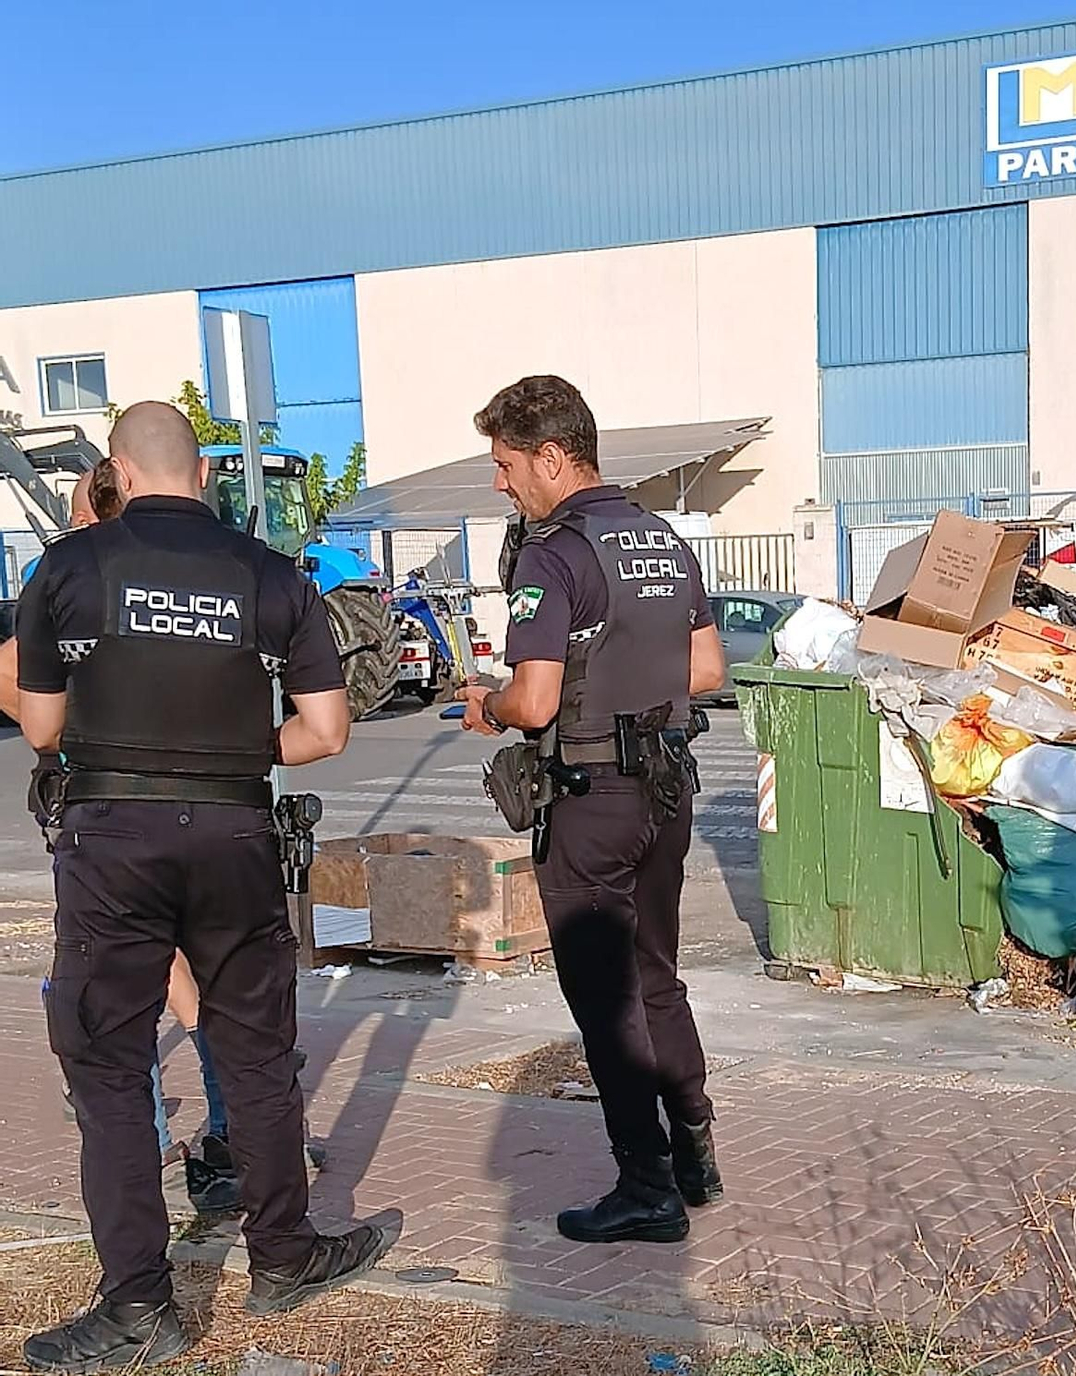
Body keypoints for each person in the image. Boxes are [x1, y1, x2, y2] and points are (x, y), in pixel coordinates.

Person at [16, 402, 392, 1372]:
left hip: (113, 839)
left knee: (106, 1060)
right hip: (234, 833)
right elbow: (328, 731)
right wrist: (225, 752)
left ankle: (142, 1304)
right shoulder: (270, 575)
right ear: (202, 473)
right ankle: (285, 1253)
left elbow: (47, 727)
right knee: (255, 1048)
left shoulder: (67, 568)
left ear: (120, 472)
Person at [457, 375, 727, 1244]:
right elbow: (707, 671)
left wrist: (488, 704)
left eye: (505, 465)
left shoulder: (553, 551)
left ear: (551, 456)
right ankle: (694, 1148)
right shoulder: (661, 540)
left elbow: (534, 702)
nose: (501, 484)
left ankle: (645, 1186)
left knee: (605, 998)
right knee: (657, 974)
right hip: (665, 790)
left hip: (590, 796)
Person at [0, 465, 237, 1208]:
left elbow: (18, 685)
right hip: (196, 814)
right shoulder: (190, 570)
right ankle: (230, 1132)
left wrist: (81, 729)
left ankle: (158, 1141)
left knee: (113, 991)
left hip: (99, 814)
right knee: (189, 973)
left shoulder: (68, 574)